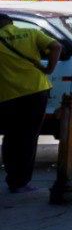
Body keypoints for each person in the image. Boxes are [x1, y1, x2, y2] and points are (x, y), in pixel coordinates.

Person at [0, 13, 62, 193]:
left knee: (11, 137)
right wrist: (49, 68)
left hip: (8, 95)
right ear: (12, 23)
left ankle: (13, 179)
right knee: (28, 137)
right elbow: (57, 46)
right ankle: (22, 182)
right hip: (36, 91)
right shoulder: (30, 32)